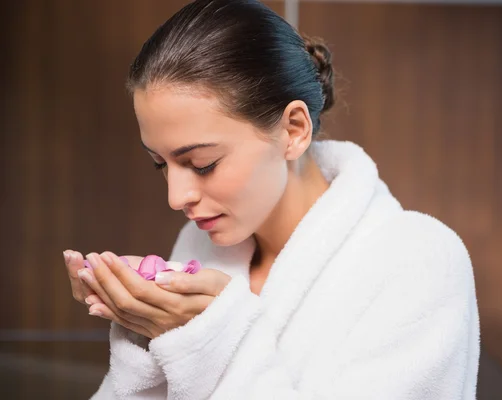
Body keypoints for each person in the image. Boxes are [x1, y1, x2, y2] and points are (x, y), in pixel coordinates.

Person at [62, 0, 480, 398]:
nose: (177, 197)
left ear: (294, 130)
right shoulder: (200, 249)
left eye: (203, 163)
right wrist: (145, 326)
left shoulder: (419, 263)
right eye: (161, 165)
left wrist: (210, 338)